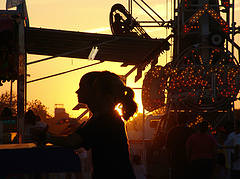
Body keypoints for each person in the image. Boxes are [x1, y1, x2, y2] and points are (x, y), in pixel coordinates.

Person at [45, 71, 137, 179]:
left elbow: (73, 142)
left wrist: (46, 137)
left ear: (105, 96)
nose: (78, 91)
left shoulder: (104, 119)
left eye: (95, 91)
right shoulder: (106, 118)